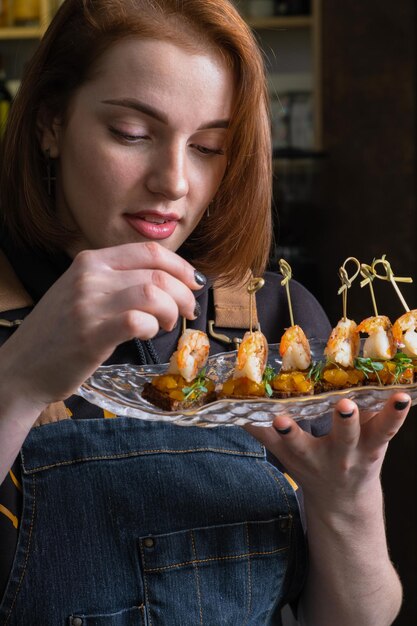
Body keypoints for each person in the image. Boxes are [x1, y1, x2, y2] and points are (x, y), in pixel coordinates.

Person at [0, 0, 409, 624]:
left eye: (209, 146)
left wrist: (345, 502)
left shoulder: (279, 319)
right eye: (133, 134)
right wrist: (19, 380)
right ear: (50, 123)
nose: (174, 181)